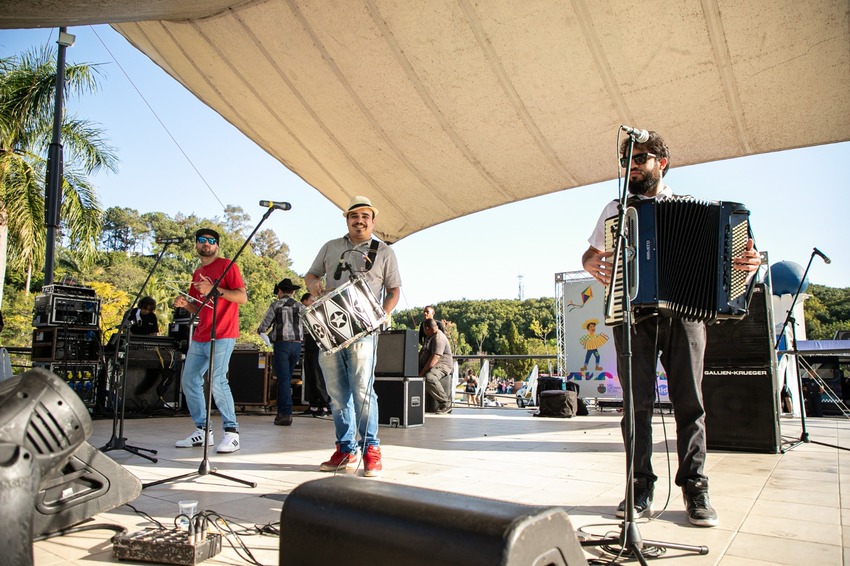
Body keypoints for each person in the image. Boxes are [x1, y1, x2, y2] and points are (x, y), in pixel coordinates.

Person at [581, 130, 759, 527]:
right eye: (626, 161)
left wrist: (750, 263)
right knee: (636, 406)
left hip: (686, 316)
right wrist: (590, 262)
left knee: (690, 405)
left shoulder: (696, 209)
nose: (631, 168)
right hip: (632, 316)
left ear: (661, 163)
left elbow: (741, 258)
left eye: (640, 159)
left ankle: (695, 488)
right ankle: (639, 487)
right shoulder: (616, 209)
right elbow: (592, 253)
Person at [305, 195, 401, 477]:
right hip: (331, 329)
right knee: (336, 394)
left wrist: (384, 311)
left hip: (364, 330)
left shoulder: (383, 252)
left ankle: (371, 449)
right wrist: (314, 286)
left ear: (373, 221)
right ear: (347, 219)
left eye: (365, 216)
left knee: (362, 391)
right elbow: (311, 274)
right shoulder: (331, 247)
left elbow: (394, 290)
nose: (359, 221)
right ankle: (346, 448)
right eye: (354, 216)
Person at [173, 228, 248, 454]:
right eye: (202, 240)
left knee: (217, 380)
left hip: (223, 332)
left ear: (217, 245)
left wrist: (214, 289)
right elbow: (200, 307)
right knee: (189, 380)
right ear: (196, 245)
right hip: (201, 334)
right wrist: (187, 305)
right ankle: (203, 430)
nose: (206, 244)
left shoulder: (228, 265)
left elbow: (241, 297)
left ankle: (232, 433)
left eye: (211, 241)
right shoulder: (197, 273)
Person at [257, 278, 305, 426]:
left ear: (280, 291)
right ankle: (284, 412)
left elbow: (263, 327)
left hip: (281, 345)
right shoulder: (301, 307)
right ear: (292, 292)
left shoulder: (276, 305)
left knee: (283, 379)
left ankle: (285, 414)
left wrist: (269, 335)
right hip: (297, 346)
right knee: (288, 377)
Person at [299, 292, 331, 417]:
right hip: (308, 342)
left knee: (318, 375)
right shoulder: (302, 311)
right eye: (311, 300)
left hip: (317, 343)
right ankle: (313, 405)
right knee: (310, 375)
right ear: (305, 301)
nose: (313, 302)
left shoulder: (316, 312)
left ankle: (324, 405)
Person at [419, 318, 454, 414]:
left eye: (424, 330)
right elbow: (423, 351)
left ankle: (445, 403)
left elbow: (435, 358)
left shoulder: (439, 338)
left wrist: (422, 373)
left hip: (443, 364)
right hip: (430, 363)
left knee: (429, 377)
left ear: (427, 328)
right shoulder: (429, 336)